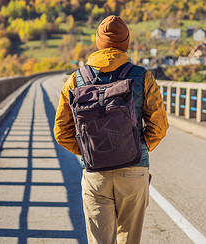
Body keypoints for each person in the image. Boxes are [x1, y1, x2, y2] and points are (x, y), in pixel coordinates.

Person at [54, 15, 169, 244]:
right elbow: (159, 126)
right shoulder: (143, 76)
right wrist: (138, 147)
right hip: (134, 169)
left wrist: (90, 150)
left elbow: (61, 132)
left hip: (96, 172)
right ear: (125, 43)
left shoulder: (76, 80)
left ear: (98, 42)